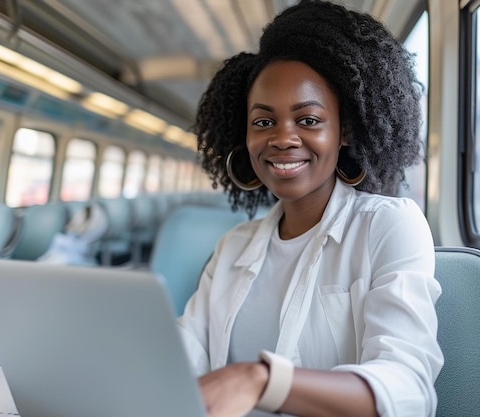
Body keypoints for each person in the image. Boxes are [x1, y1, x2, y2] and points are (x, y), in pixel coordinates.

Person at [179, 1, 443, 416]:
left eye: (308, 120)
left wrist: (262, 381)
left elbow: (409, 391)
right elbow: (182, 356)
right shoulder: (232, 248)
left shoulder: (390, 226)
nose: (282, 138)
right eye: (263, 122)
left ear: (344, 131)